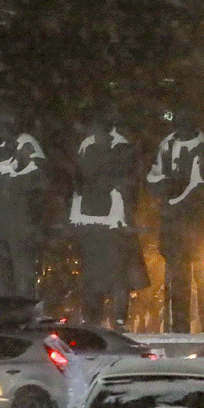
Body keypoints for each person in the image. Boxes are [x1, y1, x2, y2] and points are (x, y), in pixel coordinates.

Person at [70, 104, 147, 327]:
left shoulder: (123, 149)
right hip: (92, 220)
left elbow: (129, 183)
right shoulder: (87, 148)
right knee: (93, 275)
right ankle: (93, 317)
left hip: (114, 220)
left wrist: (121, 208)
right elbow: (79, 181)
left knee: (118, 275)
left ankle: (119, 317)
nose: (94, 132)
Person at [147, 104, 204, 332]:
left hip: (200, 225)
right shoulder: (167, 145)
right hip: (175, 226)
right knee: (178, 277)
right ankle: (179, 324)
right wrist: (165, 191)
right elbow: (153, 177)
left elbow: (200, 187)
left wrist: (173, 202)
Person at [0, 105, 48, 298]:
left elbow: (39, 172)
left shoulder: (26, 143)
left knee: (22, 272)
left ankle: (25, 314)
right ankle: (4, 314)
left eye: (9, 121)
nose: (5, 126)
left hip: (18, 219)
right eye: (1, 121)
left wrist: (14, 177)